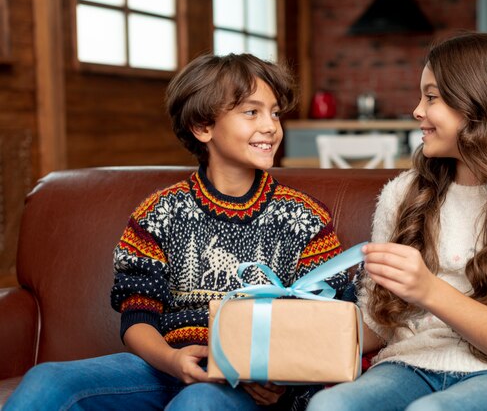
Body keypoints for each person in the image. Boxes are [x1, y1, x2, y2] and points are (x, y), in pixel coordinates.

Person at [4, 52, 348, 411]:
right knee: (48, 380)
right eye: (251, 112)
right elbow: (137, 317)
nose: (271, 126)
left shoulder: (304, 218)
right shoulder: (159, 212)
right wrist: (171, 361)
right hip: (162, 367)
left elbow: (327, 321)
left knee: (198, 401)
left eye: (274, 112)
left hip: (245, 382)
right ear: (203, 128)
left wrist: (279, 379)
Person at [307, 32, 487, 411]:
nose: (417, 111)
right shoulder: (403, 193)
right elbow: (376, 323)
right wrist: (284, 333)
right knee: (330, 406)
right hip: (409, 366)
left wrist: (428, 290)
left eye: (432, 97)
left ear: (478, 104)